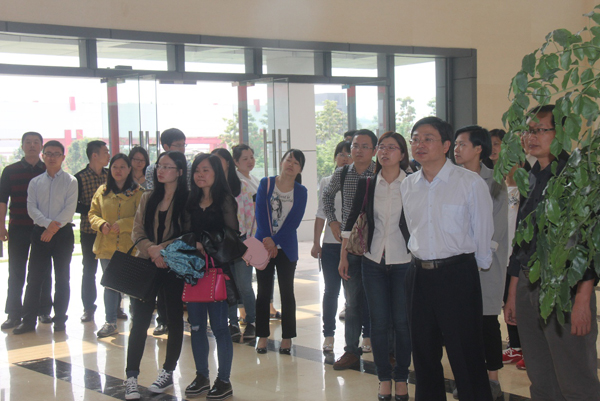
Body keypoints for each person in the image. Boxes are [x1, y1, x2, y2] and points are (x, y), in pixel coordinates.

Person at [504, 105, 600, 400]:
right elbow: (522, 242)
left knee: (575, 378)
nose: (530, 137)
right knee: (540, 375)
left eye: (539, 130)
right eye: (527, 131)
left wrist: (582, 299)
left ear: (561, 133)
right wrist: (513, 292)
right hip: (528, 284)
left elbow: (589, 244)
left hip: (564, 288)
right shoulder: (531, 175)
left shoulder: (577, 176)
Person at [401, 117, 494, 401]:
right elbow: (412, 229)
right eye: (415, 139)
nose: (419, 144)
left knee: (466, 353)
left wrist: (473, 269)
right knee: (424, 354)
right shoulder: (408, 184)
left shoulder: (469, 182)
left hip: (457, 275)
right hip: (418, 276)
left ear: (445, 145)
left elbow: (483, 231)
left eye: (427, 139)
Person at [343, 132, 412, 401]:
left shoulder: (413, 183)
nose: (385, 152)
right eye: (381, 147)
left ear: (402, 154)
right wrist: (343, 255)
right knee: (379, 324)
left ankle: (402, 378)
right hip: (372, 261)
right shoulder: (368, 183)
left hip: (404, 261)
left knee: (402, 324)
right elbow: (352, 219)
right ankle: (384, 378)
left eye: (391, 147)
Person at [125, 151, 189, 400]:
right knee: (140, 321)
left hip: (173, 265)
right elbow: (137, 230)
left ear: (180, 172)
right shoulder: (148, 197)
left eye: (167, 167)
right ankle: (131, 376)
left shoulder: (187, 199)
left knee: (174, 319)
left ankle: (168, 371)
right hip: (147, 263)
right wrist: (151, 249)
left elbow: (188, 234)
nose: (160, 170)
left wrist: (162, 249)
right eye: (159, 166)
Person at [454, 126, 508, 400]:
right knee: (461, 326)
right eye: (455, 144)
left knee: (487, 323)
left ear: (478, 149)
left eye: (462, 144)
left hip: (486, 265)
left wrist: (473, 254)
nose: (456, 149)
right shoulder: (450, 180)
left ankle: (492, 379)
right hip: (456, 266)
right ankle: (466, 377)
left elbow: (495, 230)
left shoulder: (494, 183)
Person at [321, 129, 377, 370]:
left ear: (374, 150)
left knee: (377, 300)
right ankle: (351, 351)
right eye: (355, 146)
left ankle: (383, 347)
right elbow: (326, 197)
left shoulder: (381, 172)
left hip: (377, 244)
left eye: (365, 146)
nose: (358, 150)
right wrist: (333, 221)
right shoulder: (343, 173)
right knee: (352, 302)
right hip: (351, 245)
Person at [184, 153, 238, 400]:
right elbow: (184, 233)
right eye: (197, 170)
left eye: (205, 170)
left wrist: (205, 243)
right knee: (196, 327)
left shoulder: (225, 200)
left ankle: (224, 380)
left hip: (217, 272)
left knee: (219, 328)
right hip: (194, 272)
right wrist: (192, 244)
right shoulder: (190, 201)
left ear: (216, 173)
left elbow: (232, 236)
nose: (200, 175)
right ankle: (202, 376)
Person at [13, 140, 78, 334]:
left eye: (56, 154)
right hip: (40, 233)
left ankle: (60, 320)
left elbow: (69, 210)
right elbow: (31, 208)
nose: (52, 157)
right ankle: (28, 321)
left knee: (62, 278)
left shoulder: (71, 181)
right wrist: (47, 225)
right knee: (34, 278)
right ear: (43, 156)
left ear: (63, 157)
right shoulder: (35, 182)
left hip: (62, 234)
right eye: (48, 153)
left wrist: (52, 228)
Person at [254, 149, 308, 354]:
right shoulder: (266, 183)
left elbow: (294, 222)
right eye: (288, 160)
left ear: (300, 169)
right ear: (281, 161)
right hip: (263, 245)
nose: (291, 165)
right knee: (263, 292)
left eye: (296, 163)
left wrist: (275, 241)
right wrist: (268, 241)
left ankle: (287, 338)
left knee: (287, 292)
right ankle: (262, 336)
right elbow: (260, 213)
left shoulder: (301, 191)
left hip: (286, 247)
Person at [0, 132, 53, 330]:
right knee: (16, 271)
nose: (32, 145)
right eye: (28, 142)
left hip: (42, 229)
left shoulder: (48, 170)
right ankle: (14, 314)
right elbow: (2, 200)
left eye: (36, 142)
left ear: (41, 147)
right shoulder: (10, 171)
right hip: (18, 227)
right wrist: (1, 225)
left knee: (43, 270)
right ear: (22, 146)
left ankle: (44, 310)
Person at [88, 154, 144, 338]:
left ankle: (137, 322)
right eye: (114, 167)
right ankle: (110, 322)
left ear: (129, 170)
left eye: (122, 167)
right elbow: (92, 213)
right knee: (110, 285)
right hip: (107, 247)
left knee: (132, 286)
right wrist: (100, 224)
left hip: (131, 247)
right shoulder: (102, 191)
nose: (118, 171)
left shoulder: (139, 192)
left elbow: (143, 217)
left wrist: (124, 224)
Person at [145, 129, 190, 336]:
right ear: (165, 146)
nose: (182, 148)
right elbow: (142, 224)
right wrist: (153, 250)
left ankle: (176, 322)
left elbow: (187, 229)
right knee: (152, 298)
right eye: (177, 145)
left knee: (174, 299)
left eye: (183, 145)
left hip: (175, 250)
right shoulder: (152, 174)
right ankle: (161, 320)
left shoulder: (186, 170)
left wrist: (163, 249)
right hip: (151, 249)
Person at [212, 148, 257, 341]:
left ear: (229, 163)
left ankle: (252, 321)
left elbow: (250, 217)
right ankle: (232, 323)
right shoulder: (211, 187)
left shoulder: (241, 186)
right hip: (220, 245)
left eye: (219, 160)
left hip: (241, 242)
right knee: (226, 285)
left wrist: (250, 243)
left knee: (244, 285)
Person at [311, 140, 352, 351]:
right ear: (335, 157)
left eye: (348, 154)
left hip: (353, 246)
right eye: (341, 154)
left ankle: (363, 336)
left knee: (354, 294)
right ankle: (329, 335)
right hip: (330, 245)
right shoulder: (327, 181)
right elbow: (321, 213)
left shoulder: (360, 179)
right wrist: (316, 243)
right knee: (331, 291)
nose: (345, 158)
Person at [232, 144, 281, 320]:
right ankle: (246, 312)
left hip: (259, 234)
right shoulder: (236, 181)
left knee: (265, 271)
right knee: (243, 279)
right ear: (235, 161)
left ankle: (268, 306)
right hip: (245, 236)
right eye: (245, 159)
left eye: (251, 157)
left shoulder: (254, 178)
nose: (250, 161)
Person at [76, 140, 110, 323]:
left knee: (111, 270)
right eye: (105, 152)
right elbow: (75, 205)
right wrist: (96, 210)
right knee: (89, 270)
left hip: (110, 232)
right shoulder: (79, 178)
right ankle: (88, 308)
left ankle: (115, 307)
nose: (108, 155)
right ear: (94, 155)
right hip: (89, 231)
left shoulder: (110, 175)